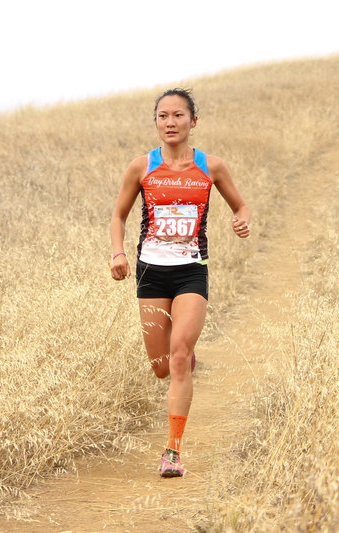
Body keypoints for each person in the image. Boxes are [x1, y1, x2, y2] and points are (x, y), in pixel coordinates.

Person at [109, 88, 250, 478]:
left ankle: (172, 451)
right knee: (160, 367)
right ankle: (184, 357)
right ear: (156, 122)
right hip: (151, 273)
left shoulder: (212, 167)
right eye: (162, 116)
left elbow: (240, 205)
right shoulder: (141, 167)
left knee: (177, 357)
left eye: (178, 116)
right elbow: (118, 216)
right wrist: (118, 252)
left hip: (191, 270)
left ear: (193, 121)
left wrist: (242, 219)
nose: (170, 123)